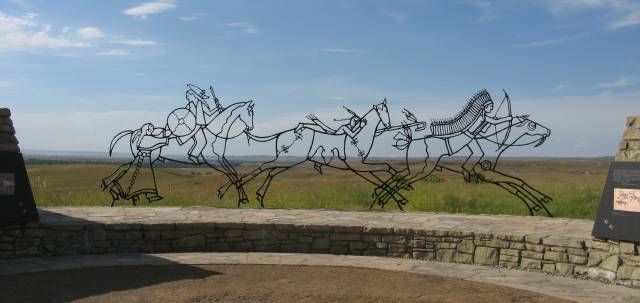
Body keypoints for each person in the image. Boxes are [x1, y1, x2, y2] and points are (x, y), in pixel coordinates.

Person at [181, 84, 222, 164]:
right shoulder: (190, 106)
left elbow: (209, 113)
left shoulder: (200, 104)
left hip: (198, 126)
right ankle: (193, 156)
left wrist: (217, 108)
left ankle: (192, 155)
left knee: (202, 141)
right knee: (202, 141)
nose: (187, 97)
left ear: (193, 95)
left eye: (188, 95)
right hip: (194, 127)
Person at [296, 106, 367, 138]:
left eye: (356, 122)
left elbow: (353, 131)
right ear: (351, 120)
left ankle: (303, 125)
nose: (355, 123)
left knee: (317, 127)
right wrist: (361, 126)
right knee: (322, 126)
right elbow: (352, 135)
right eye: (354, 120)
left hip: (332, 132)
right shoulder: (345, 127)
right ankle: (305, 124)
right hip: (332, 132)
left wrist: (360, 125)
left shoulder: (348, 128)